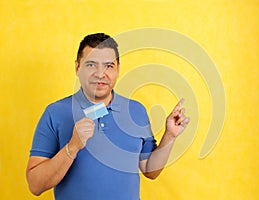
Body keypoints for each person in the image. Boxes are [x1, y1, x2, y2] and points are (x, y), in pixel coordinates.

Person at [26, 33, 190, 200]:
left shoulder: (136, 111)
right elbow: (35, 185)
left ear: (118, 68)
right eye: (91, 65)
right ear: (77, 68)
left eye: (108, 66)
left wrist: (169, 135)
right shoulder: (56, 112)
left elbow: (150, 170)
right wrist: (72, 147)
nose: (100, 74)